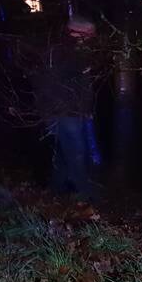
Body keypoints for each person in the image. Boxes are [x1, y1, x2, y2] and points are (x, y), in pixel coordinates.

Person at [33, 15, 99, 199]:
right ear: (76, 33)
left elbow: (81, 86)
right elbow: (53, 85)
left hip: (71, 112)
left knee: (64, 155)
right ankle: (89, 198)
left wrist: (86, 110)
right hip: (65, 113)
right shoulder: (64, 54)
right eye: (89, 34)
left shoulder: (75, 53)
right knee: (77, 154)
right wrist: (62, 109)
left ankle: (54, 193)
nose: (92, 38)